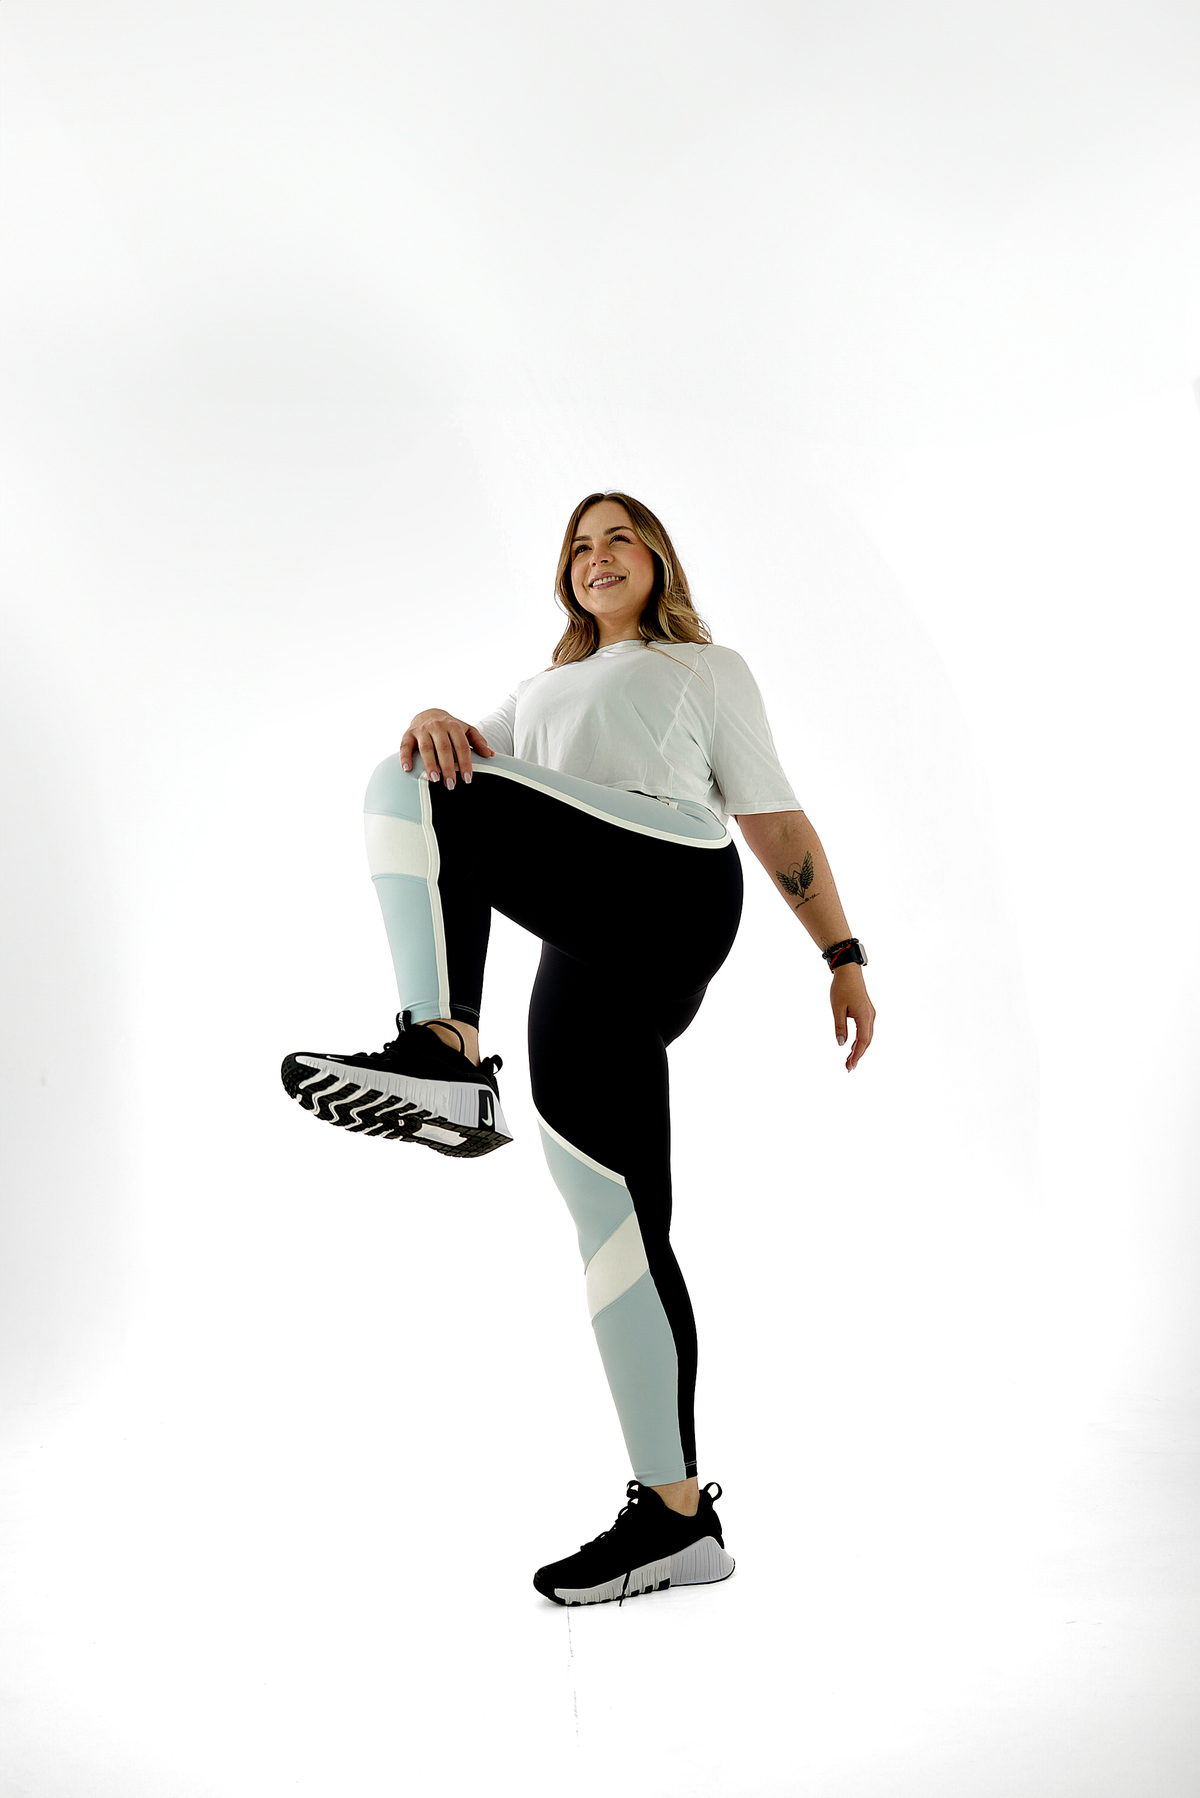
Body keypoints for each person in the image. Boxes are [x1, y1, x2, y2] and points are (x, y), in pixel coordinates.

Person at [281, 489, 876, 1607]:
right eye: (580, 545)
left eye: (620, 539)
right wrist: (436, 717)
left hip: (670, 883)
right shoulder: (537, 693)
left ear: (657, 558)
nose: (598, 556)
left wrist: (840, 953)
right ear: (567, 573)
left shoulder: (704, 669)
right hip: (587, 952)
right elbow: (463, 773)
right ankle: (676, 1516)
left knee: (405, 786)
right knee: (617, 1227)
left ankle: (445, 1051)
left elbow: (775, 821)